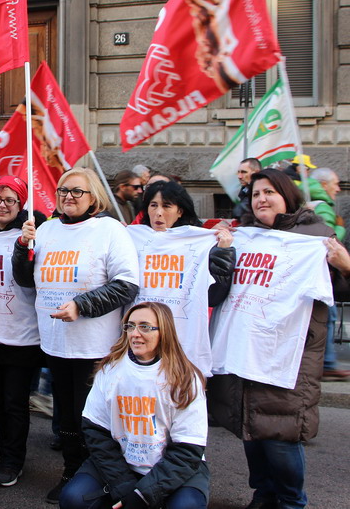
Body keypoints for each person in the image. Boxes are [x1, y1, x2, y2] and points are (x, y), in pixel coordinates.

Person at [208, 169, 350, 509]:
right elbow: (215, 291)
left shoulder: (315, 238)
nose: (261, 199)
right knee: (250, 428)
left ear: (287, 195)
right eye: (256, 194)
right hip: (244, 349)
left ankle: (290, 500)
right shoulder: (242, 236)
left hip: (288, 354)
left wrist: (346, 267)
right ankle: (263, 493)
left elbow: (340, 292)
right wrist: (222, 251)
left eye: (269, 192)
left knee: (280, 434)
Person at [12, 167, 140, 504]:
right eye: (63, 190)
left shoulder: (110, 230)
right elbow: (25, 279)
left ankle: (100, 478)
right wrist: (22, 246)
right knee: (65, 416)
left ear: (93, 196)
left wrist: (81, 306)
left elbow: (127, 284)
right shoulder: (46, 229)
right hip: (55, 343)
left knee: (91, 418)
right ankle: (71, 473)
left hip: (94, 347)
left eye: (77, 191)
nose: (68, 196)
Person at [59, 302, 209, 509]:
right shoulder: (110, 369)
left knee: (186, 507)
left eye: (145, 327)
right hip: (121, 462)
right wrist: (124, 486)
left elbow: (188, 449)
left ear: (164, 331)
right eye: (130, 326)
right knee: (73, 498)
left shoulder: (185, 378)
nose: (135, 334)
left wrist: (143, 495)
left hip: (172, 467)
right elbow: (95, 431)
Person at [0, 175, 46, 488]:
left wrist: (28, 243)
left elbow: (32, 277)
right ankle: (5, 454)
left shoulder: (31, 232)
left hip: (21, 334)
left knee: (15, 403)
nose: (2, 205)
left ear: (20, 205)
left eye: (10, 200)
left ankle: (13, 461)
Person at [127, 180, 235, 376]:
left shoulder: (200, 241)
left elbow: (215, 295)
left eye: (166, 206)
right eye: (153, 205)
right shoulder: (130, 238)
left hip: (181, 338)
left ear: (180, 211)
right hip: (139, 336)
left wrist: (223, 251)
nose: (159, 213)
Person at [307, 167, 349, 380]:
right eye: (335, 183)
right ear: (323, 185)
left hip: (313, 269)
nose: (338, 188)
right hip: (323, 269)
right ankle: (328, 364)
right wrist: (341, 229)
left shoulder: (309, 200)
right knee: (328, 315)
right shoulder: (322, 206)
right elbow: (327, 238)